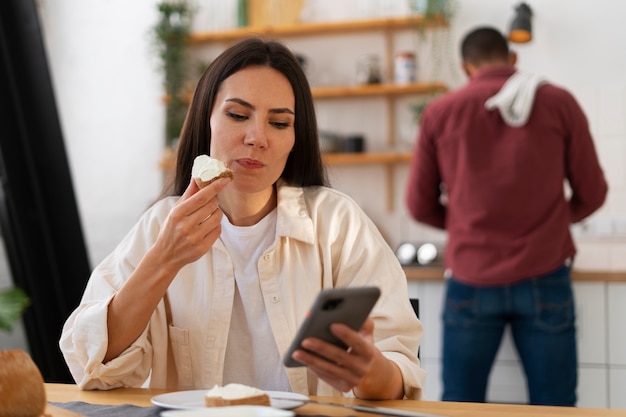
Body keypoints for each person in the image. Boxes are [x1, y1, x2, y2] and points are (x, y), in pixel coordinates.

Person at [60, 37, 425, 400]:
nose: (257, 137)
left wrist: (369, 373)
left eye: (279, 123)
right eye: (237, 115)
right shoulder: (160, 226)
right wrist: (163, 260)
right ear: (208, 121)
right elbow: (93, 365)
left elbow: (400, 370)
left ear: (296, 138)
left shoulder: (337, 224)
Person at [405, 27, 607, 406]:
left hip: (471, 278)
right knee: (556, 407)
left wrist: (466, 222)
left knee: (460, 406)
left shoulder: (440, 112)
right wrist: (551, 221)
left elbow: (419, 205)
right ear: (513, 59)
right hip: (545, 274)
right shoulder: (559, 102)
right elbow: (594, 194)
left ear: (466, 67)